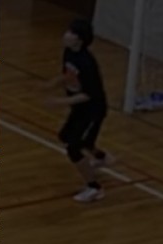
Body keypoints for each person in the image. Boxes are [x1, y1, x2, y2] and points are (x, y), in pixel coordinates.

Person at [46, 18, 110, 203]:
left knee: (74, 148)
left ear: (79, 40)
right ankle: (101, 157)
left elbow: (88, 95)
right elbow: (68, 75)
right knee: (66, 136)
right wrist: (51, 84)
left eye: (72, 33)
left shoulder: (86, 62)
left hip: (93, 110)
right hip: (81, 109)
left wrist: (59, 102)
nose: (66, 35)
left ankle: (94, 188)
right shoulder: (69, 53)